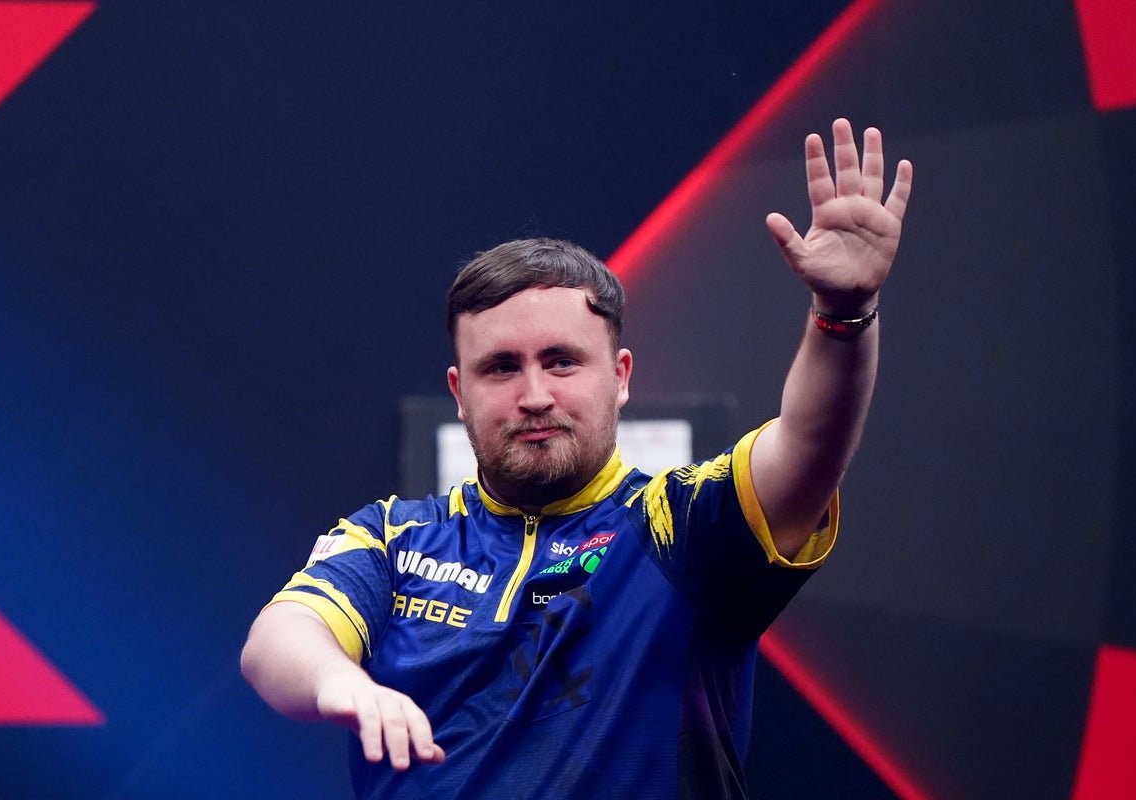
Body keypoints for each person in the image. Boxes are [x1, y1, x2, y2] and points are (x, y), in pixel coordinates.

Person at [240, 118, 912, 799]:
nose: (535, 395)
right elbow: (278, 639)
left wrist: (844, 312)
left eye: (561, 362)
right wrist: (341, 683)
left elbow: (809, 445)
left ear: (620, 376)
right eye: (501, 368)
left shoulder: (681, 527)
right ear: (460, 394)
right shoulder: (394, 537)